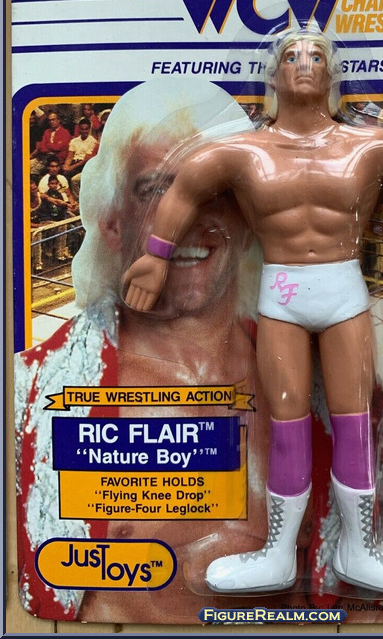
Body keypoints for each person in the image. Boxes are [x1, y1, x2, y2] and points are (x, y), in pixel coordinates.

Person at [124, 29, 383, 597]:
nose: (303, 62)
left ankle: (361, 549)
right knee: (288, 427)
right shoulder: (244, 152)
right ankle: (276, 553)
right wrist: (155, 256)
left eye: (315, 55)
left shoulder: (366, 147)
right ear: (273, 74)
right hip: (283, 296)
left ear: (331, 72)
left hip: (343, 294)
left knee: (354, 422)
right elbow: (186, 188)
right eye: (291, 55)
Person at [15, 79, 285, 623]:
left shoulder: (324, 385)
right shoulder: (28, 394)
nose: (185, 217)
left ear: (247, 220)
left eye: (216, 189)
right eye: (156, 189)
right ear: (112, 222)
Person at [63, 117, 99, 197]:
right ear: (79, 129)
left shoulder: (92, 141)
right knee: (63, 174)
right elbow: (70, 156)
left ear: (89, 129)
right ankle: (68, 197)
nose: (84, 131)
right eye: (82, 129)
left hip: (83, 164)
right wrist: (66, 166)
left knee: (70, 176)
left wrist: (71, 167)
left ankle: (76, 198)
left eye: (86, 129)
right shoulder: (74, 141)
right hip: (74, 162)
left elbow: (86, 159)